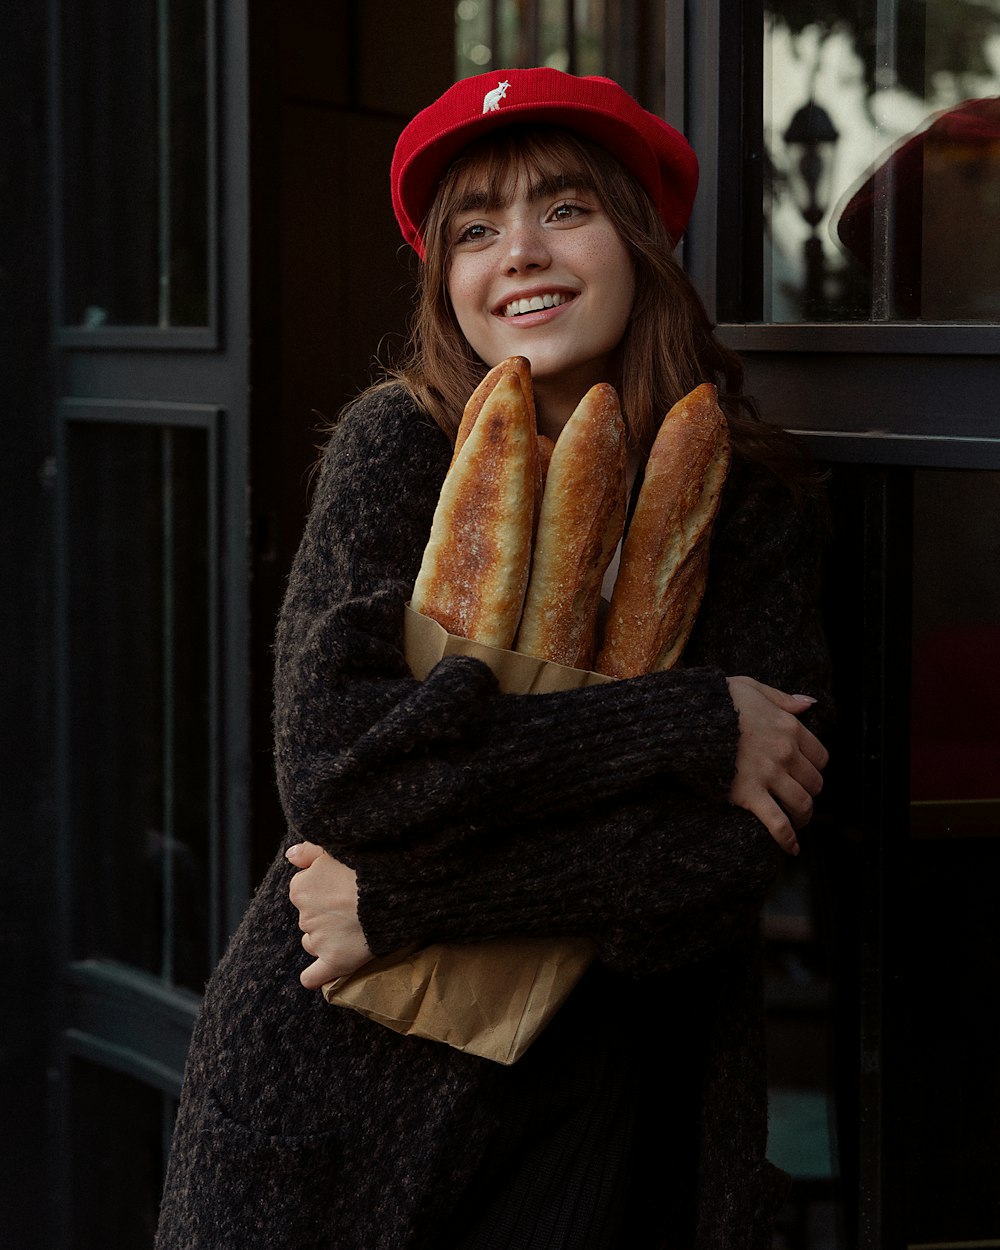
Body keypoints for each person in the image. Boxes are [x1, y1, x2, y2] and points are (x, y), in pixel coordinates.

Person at [155, 67, 831, 1250]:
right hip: (336, 1090)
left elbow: (719, 862)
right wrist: (687, 724)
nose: (518, 250)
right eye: (477, 227)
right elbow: (345, 769)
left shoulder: (742, 501)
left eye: (563, 208)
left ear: (641, 237)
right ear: (447, 280)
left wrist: (406, 897)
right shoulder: (398, 446)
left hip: (613, 1096)